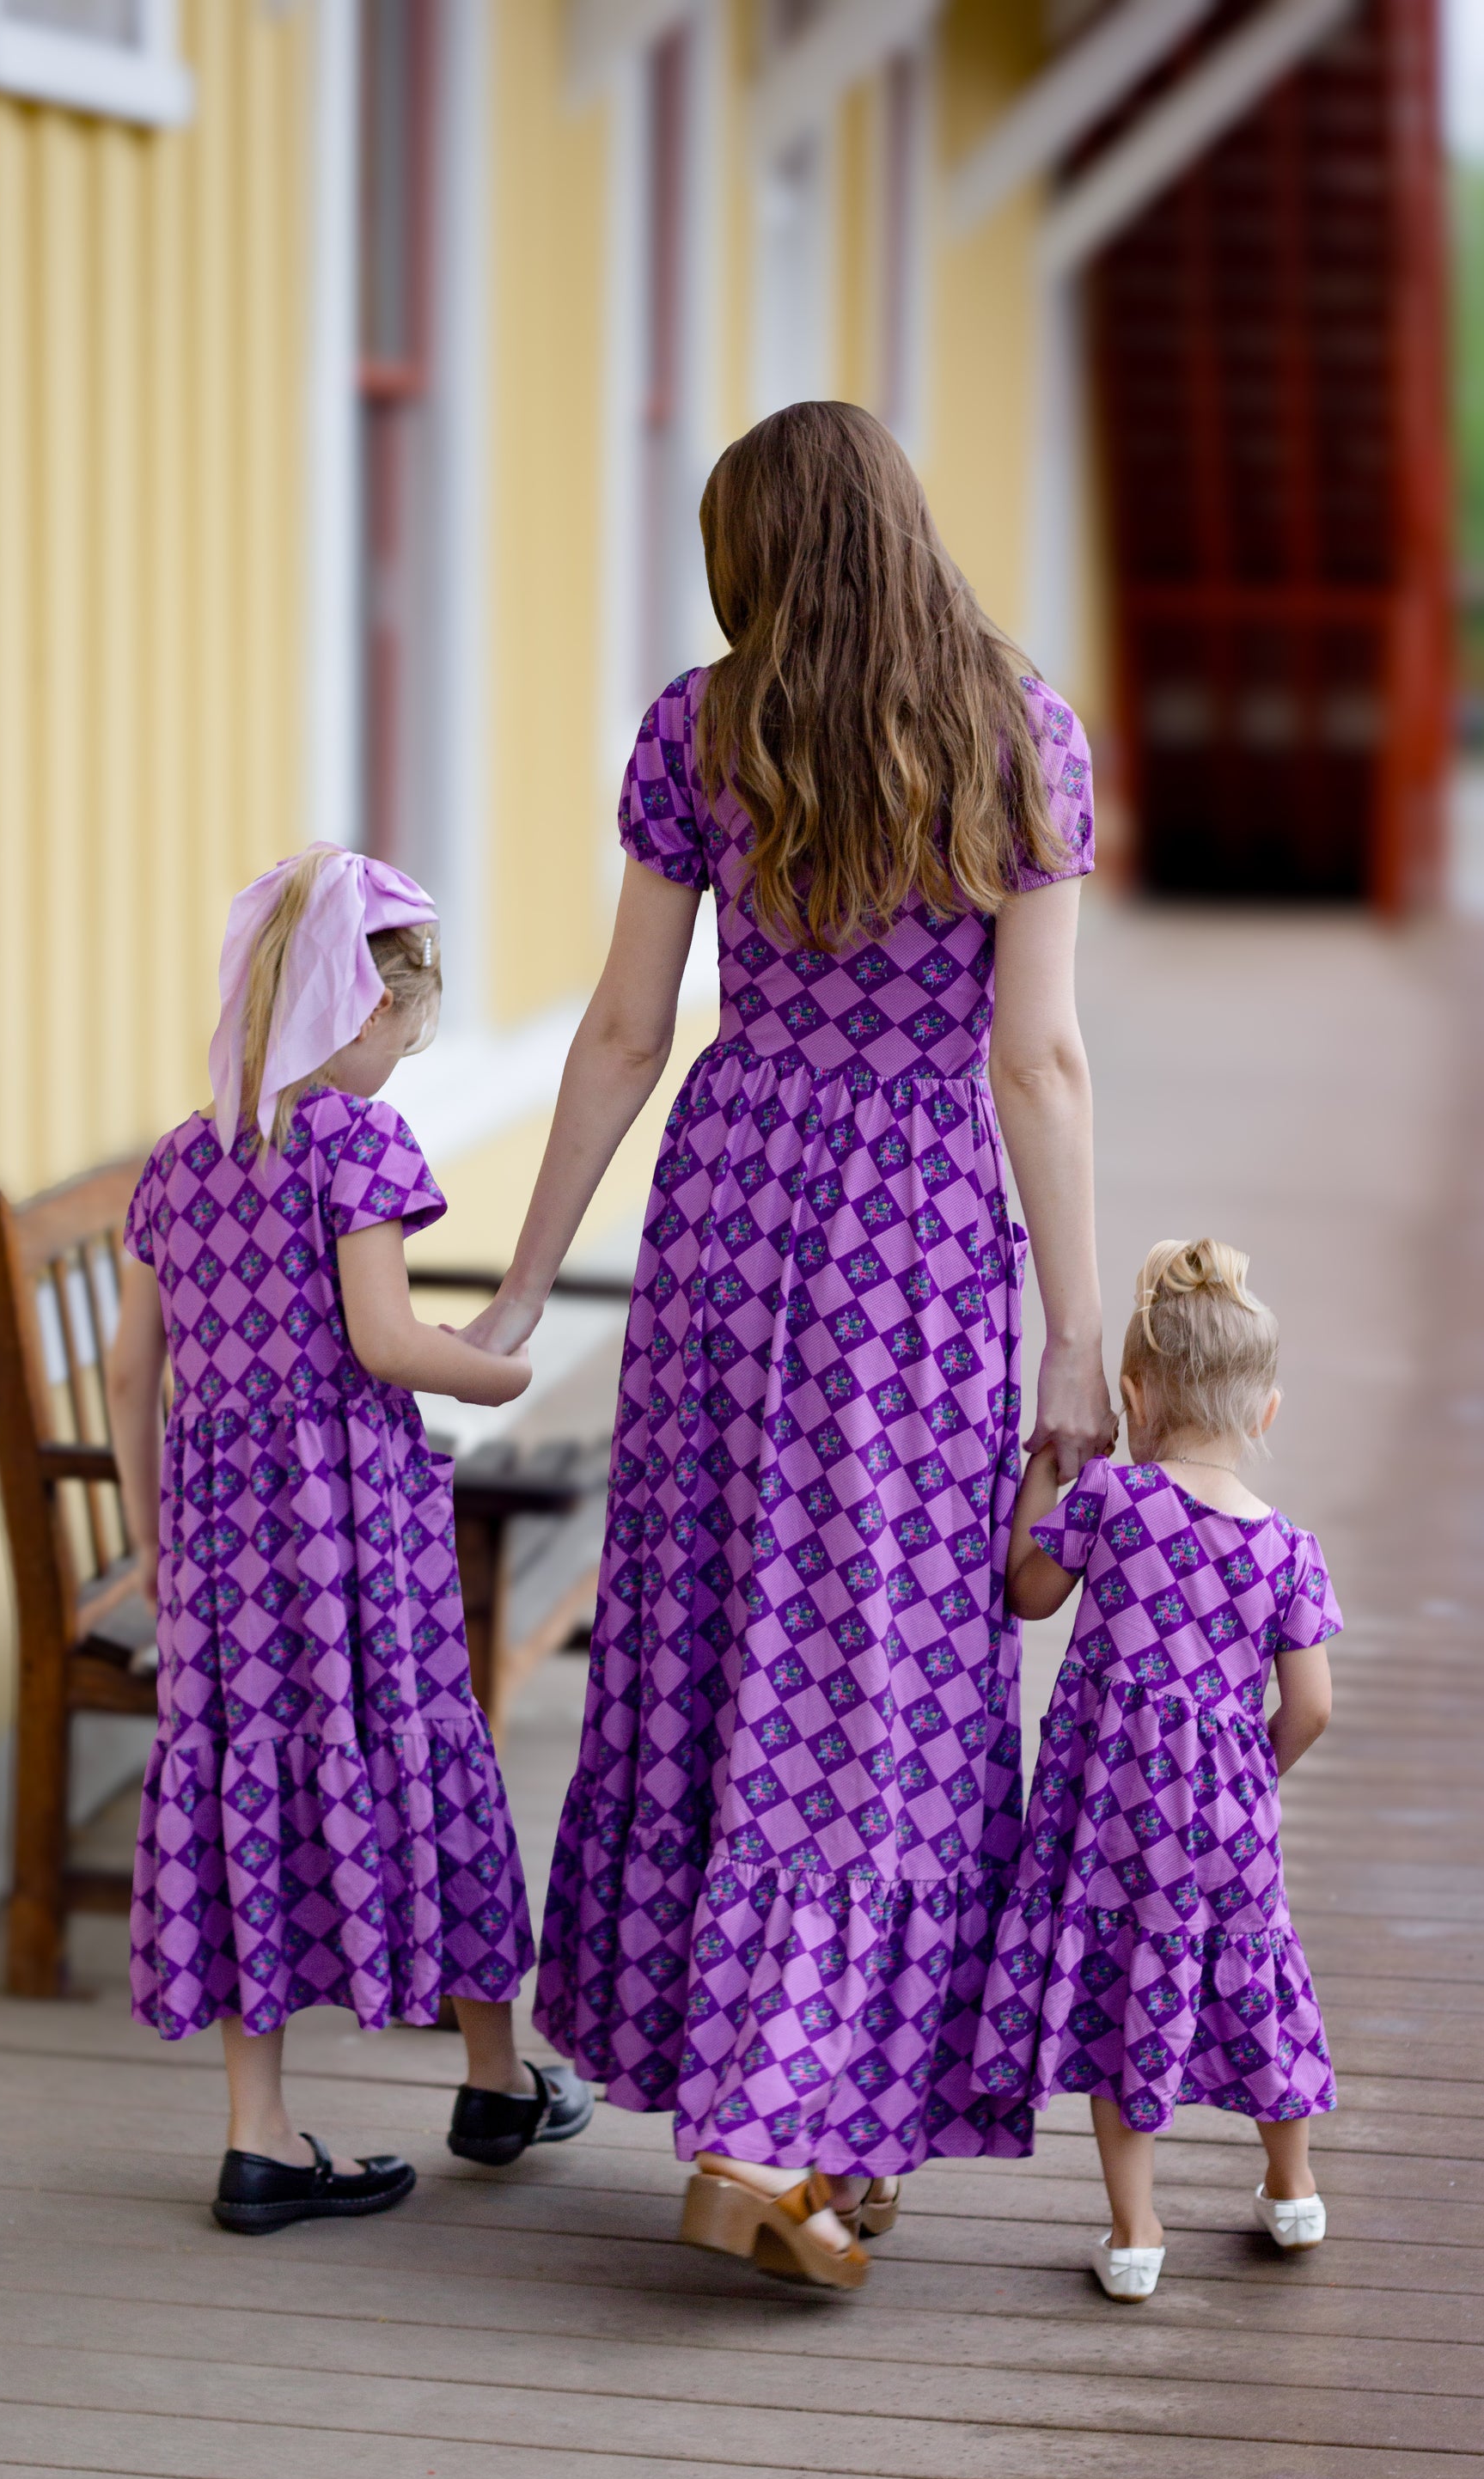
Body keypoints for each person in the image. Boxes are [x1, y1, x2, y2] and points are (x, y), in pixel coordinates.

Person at [460, 401, 1115, 2287]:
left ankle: (800, 2117)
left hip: (730, 1210)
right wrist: (1076, 1337)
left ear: (756, 554)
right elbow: (1037, 1056)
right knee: (873, 1663)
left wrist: (520, 1282)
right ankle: (774, 2132)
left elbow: (616, 1028)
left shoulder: (701, 724)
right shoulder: (1017, 733)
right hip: (911, 1237)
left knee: (724, 1628)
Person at [107, 845, 594, 2237]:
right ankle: (494, 2075)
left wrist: (157, 1545)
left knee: (236, 1780)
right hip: (350, 1535)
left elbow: (130, 1374)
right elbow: (384, 1339)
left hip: (220, 1547)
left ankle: (258, 2134)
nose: (403, 1056)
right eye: (402, 1027)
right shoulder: (356, 1142)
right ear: (354, 1009)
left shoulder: (179, 1159)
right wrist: (496, 1368)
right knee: (423, 1744)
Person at [975, 1237, 1340, 2302]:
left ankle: (1135, 2235)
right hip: (1226, 1818)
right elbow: (1311, 1705)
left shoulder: (1110, 1501)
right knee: (1255, 1974)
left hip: (1105, 1818)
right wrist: (1251, 1776)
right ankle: (1291, 2185)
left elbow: (1025, 1595)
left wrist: (1039, 1473)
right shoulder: (1287, 1550)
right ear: (1263, 1413)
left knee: (1114, 1996)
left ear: (1132, 1395)